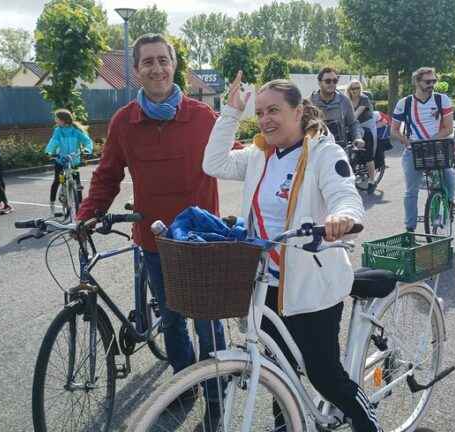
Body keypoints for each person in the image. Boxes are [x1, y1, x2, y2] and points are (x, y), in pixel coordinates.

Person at [203, 72, 381, 432]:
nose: (265, 119)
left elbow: (345, 192)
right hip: (266, 283)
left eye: (274, 110)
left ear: (298, 111)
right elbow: (213, 164)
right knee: (278, 369)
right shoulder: (259, 155)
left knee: (324, 375)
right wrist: (230, 114)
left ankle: (368, 424)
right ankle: (289, 425)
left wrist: (342, 216)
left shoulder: (323, 153)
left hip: (312, 284)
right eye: (260, 112)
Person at [76, 33, 226, 413]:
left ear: (174, 65)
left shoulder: (203, 117)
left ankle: (214, 391)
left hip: (202, 239)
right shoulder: (124, 122)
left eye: (163, 60)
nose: (157, 68)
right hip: (153, 240)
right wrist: (89, 212)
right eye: (148, 62)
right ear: (137, 70)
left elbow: (237, 158)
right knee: (173, 320)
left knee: (208, 321)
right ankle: (185, 384)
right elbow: (107, 174)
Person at [391, 66, 455, 233]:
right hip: (413, 151)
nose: (432, 84)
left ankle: (449, 202)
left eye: (434, 81)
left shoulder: (442, 100)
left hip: (436, 148)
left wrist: (427, 142)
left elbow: (448, 128)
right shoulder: (404, 103)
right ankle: (410, 229)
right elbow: (394, 130)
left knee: (449, 176)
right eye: (428, 82)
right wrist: (407, 142)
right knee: (410, 191)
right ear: (417, 82)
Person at [45, 109, 94, 217]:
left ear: (63, 120)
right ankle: (52, 206)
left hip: (73, 160)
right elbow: (54, 141)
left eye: (56, 118)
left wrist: (87, 150)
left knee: (77, 184)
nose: (55, 120)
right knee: (57, 181)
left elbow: (87, 141)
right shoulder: (58, 131)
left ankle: (79, 206)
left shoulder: (75, 131)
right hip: (60, 160)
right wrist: (49, 152)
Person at [309, 67, 364, 147]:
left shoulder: (344, 101)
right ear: (319, 82)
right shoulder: (310, 102)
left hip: (340, 150)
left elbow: (353, 123)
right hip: (317, 150)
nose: (332, 84)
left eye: (335, 81)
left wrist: (357, 137)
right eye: (328, 81)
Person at [347, 79, 379, 193]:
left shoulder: (364, 99)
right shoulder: (347, 100)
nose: (355, 90)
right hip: (354, 126)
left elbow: (354, 115)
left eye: (358, 88)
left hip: (367, 126)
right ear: (349, 90)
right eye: (353, 88)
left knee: (368, 154)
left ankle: (371, 181)